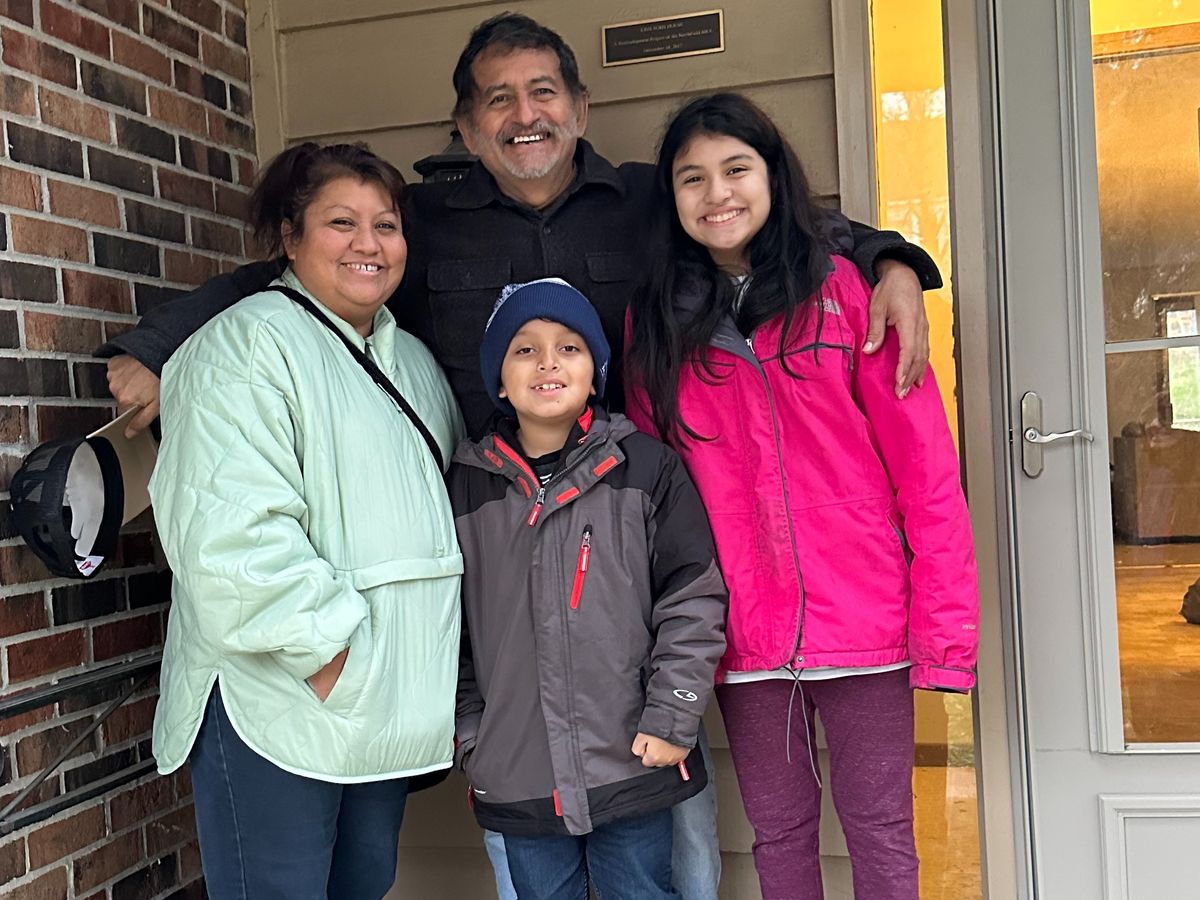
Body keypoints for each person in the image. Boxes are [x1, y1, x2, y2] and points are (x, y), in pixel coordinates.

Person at [97, 15, 944, 899]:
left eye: (543, 92)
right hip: (499, 556)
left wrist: (890, 260)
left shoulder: (646, 201)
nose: (525, 114)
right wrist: (161, 344)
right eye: (498, 99)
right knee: (525, 836)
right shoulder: (421, 223)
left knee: (669, 833)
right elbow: (288, 277)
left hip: (629, 550)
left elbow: (772, 217)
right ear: (467, 128)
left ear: (580, 108)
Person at [625, 93, 979, 900]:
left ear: (773, 177)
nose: (717, 194)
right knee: (780, 835)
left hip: (867, 623)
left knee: (880, 829)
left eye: (736, 169)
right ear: (670, 198)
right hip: (744, 632)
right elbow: (657, 498)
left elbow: (926, 472)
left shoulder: (849, 291)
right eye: (692, 178)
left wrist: (944, 636)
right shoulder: (656, 326)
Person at [147, 142, 465, 899]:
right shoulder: (244, 346)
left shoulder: (413, 363)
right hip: (285, 697)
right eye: (341, 223)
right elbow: (228, 535)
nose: (368, 244)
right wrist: (333, 661)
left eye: (385, 225)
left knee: (362, 886)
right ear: (290, 239)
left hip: (381, 705)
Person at [449, 277, 727, 899]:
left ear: (595, 372)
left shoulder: (645, 468)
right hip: (518, 774)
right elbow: (449, 629)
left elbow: (692, 597)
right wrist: (473, 736)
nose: (548, 362)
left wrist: (674, 712)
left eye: (569, 347)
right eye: (524, 349)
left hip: (632, 758)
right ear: (499, 381)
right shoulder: (466, 488)